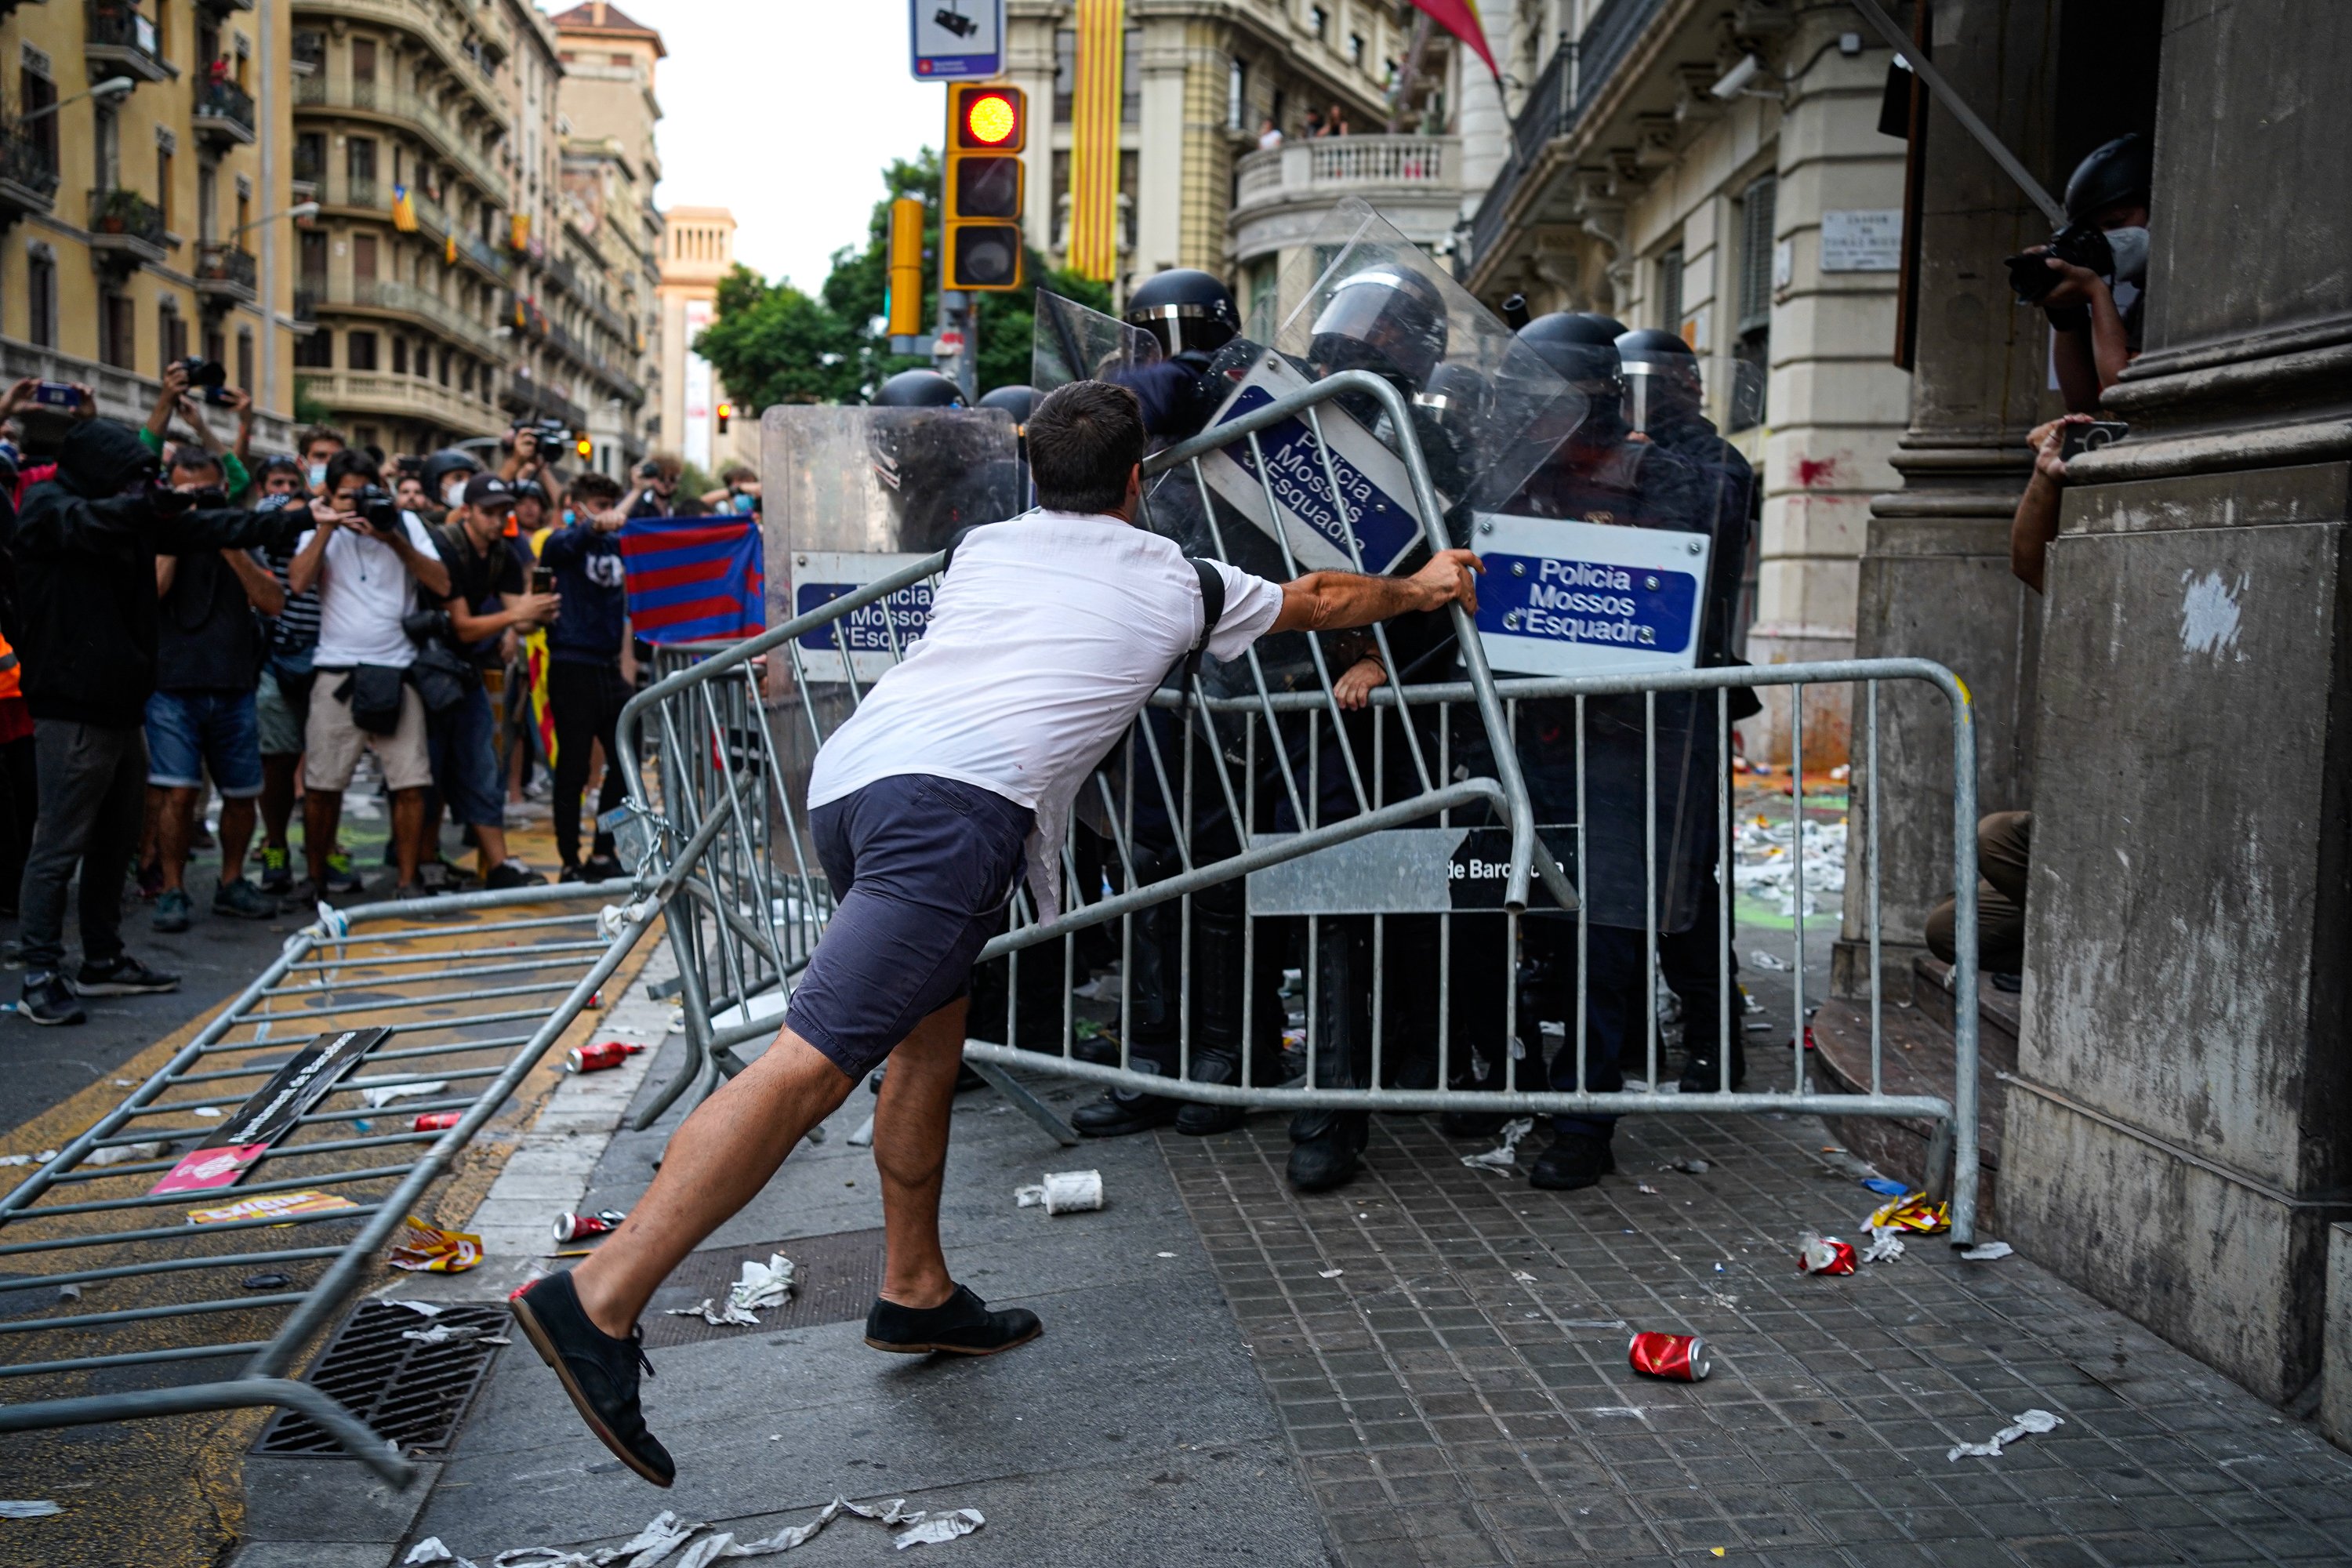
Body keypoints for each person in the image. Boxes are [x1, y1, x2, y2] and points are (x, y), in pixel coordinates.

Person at [507, 379, 1487, 1486]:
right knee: (809, 1066)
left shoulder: (983, 547)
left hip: (857, 786)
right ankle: (603, 1295)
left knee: (929, 1042)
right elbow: (1321, 597)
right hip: (951, 814)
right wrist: (1423, 587)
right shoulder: (1180, 578)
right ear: (1136, 479)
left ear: (1033, 472)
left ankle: (915, 1287)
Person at [8, 419, 312, 1026]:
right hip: (73, 706)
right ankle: (39, 972)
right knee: (59, 845)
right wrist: (151, 505)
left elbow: (213, 528)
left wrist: (302, 519)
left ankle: (101, 959)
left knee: (115, 840)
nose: (137, 489)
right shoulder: (50, 504)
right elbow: (86, 522)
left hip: (123, 705)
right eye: (129, 480)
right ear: (102, 474)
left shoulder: (126, 512)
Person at [286, 449, 452, 899]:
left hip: (398, 670)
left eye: (366, 494)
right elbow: (298, 583)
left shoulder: (405, 523)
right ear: (330, 494)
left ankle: (407, 880)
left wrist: (391, 537)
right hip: (336, 669)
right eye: (348, 496)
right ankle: (315, 878)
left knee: (411, 784)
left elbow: (441, 583)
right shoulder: (319, 525)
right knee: (322, 786)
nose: (359, 504)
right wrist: (328, 524)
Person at [145, 447, 286, 931]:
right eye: (186, 491)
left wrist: (226, 541)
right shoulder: (156, 530)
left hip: (233, 681)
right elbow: (151, 592)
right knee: (178, 793)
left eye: (206, 492)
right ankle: (172, 889)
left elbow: (273, 601)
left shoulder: (241, 532)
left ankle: (232, 882)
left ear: (224, 491)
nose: (198, 501)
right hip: (172, 683)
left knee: (242, 793)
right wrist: (176, 526)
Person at [422, 475, 556, 889]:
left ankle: (498, 865)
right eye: (489, 512)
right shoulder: (445, 546)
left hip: (467, 669)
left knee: (483, 765)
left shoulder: (503, 554)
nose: (498, 521)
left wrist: (539, 610)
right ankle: (418, 862)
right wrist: (515, 617)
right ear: (467, 512)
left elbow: (522, 618)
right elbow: (463, 625)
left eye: (504, 513)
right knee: (427, 772)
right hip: (423, 666)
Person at [538, 471, 633, 880]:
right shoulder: (560, 542)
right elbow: (568, 544)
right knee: (573, 767)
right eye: (599, 505)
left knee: (626, 760)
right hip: (572, 665)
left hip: (608, 667)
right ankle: (569, 860)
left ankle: (603, 851)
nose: (607, 512)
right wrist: (593, 526)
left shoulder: (617, 544)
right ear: (577, 508)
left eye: (611, 504)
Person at [2033, 133, 2151, 413]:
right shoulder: (2143, 296)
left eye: (2117, 222)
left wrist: (2096, 292)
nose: (2107, 239)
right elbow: (2081, 400)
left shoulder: (2168, 295)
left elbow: (2123, 392)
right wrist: (2065, 311)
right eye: (2096, 231)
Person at [624, 453, 681, 518]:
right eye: (661, 477)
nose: (667, 483)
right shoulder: (639, 505)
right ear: (652, 478)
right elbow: (618, 518)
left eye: (672, 478)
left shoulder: (679, 510)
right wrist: (637, 489)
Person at [297, 426, 344, 495]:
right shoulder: (288, 499)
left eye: (336, 457)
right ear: (300, 463)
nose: (329, 462)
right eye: (320, 456)